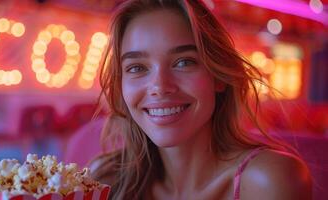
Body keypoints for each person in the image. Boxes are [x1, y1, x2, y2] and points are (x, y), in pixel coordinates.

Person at [90, 0, 312, 199]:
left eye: (184, 62)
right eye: (137, 67)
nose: (159, 87)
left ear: (218, 76)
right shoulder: (107, 179)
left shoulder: (268, 180)